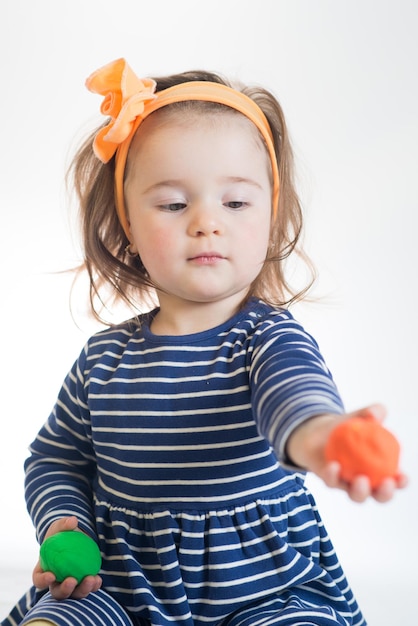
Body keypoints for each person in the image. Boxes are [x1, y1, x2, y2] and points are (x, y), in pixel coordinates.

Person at [2, 58, 406, 626]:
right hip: (121, 585)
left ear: (270, 215)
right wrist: (64, 524)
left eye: (235, 202)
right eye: (173, 204)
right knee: (58, 619)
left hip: (265, 589)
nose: (206, 222)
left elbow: (296, 400)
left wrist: (327, 438)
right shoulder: (102, 361)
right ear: (128, 228)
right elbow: (57, 456)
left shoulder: (266, 338)